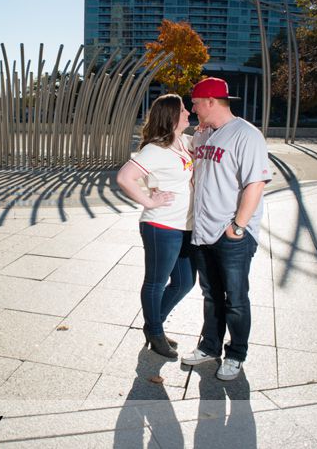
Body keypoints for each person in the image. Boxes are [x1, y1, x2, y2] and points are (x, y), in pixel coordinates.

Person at [181, 77, 271, 381]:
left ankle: (236, 355)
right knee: (211, 295)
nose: (192, 110)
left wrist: (238, 226)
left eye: (194, 103)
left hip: (231, 234)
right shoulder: (202, 136)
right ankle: (209, 347)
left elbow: (255, 183)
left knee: (235, 298)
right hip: (203, 231)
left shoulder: (247, 135)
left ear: (209, 102)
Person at [116, 94, 196, 359]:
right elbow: (125, 177)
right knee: (156, 282)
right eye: (183, 110)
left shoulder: (184, 142)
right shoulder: (155, 149)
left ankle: (154, 326)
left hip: (183, 226)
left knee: (184, 282)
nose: (188, 113)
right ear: (172, 116)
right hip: (160, 226)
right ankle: (156, 332)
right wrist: (149, 200)